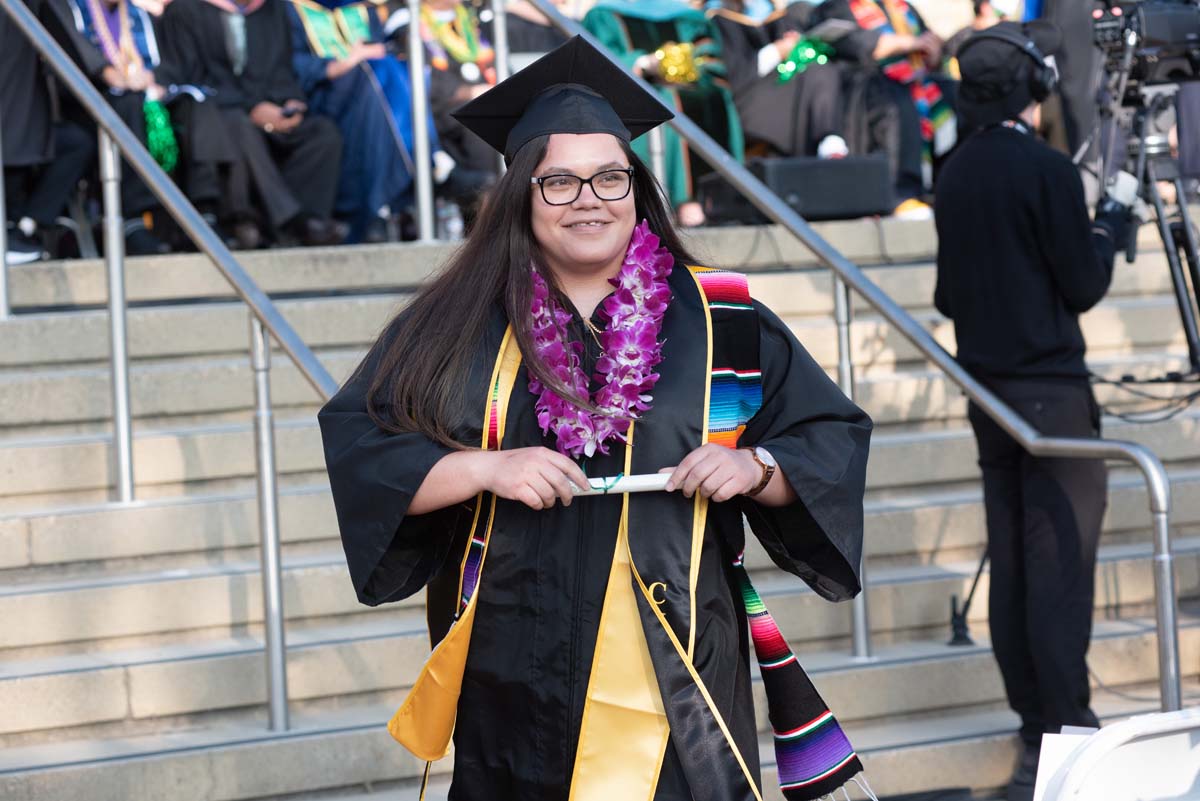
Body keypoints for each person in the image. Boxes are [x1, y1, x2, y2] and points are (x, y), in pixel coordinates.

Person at [319, 35, 873, 801]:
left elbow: (827, 438)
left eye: (610, 177)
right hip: (513, 663)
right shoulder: (456, 323)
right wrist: (485, 467)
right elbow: (362, 441)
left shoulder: (722, 317)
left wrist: (756, 468)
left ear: (637, 188)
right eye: (560, 183)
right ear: (520, 194)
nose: (590, 199)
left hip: (681, 665)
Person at [932, 22, 1132, 801]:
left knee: (1017, 562)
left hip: (990, 397)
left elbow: (950, 295)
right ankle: (1070, 734)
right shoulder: (1046, 170)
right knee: (1059, 571)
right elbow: (1083, 285)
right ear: (1035, 88)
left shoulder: (953, 172)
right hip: (1049, 397)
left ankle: (1034, 732)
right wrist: (1107, 229)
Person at [156, 0, 347, 247]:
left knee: (323, 134)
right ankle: (289, 221)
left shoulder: (273, 9)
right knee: (239, 126)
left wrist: (291, 103)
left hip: (270, 109)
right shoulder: (184, 11)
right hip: (218, 113)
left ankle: (307, 221)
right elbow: (189, 78)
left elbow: (283, 70)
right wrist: (252, 107)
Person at [286, 0, 461, 242]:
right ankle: (427, 162)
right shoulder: (289, 8)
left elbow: (382, 49)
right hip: (322, 96)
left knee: (387, 69)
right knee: (372, 74)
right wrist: (342, 64)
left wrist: (369, 56)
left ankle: (381, 204)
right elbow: (289, 63)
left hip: (370, 96)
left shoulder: (363, 8)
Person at [583, 0, 744, 227]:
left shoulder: (690, 18)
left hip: (690, 85)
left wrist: (687, 67)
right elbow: (597, 64)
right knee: (667, 102)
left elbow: (711, 62)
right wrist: (642, 63)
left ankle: (709, 201)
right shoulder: (604, 15)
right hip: (635, 91)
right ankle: (673, 201)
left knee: (714, 97)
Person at [809, 0, 957, 217]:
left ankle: (946, 188)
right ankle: (901, 194)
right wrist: (912, 43)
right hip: (863, 85)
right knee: (895, 98)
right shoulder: (839, 6)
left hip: (914, 80)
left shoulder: (904, 8)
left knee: (955, 93)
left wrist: (932, 52)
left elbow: (930, 47)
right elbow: (861, 46)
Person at [2, 0, 96, 263]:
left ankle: (25, 226)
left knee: (77, 143)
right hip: (15, 121)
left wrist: (105, 70)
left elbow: (69, 44)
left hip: (26, 119)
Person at [706, 0, 849, 160]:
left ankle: (828, 139)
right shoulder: (717, 21)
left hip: (779, 94)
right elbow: (735, 78)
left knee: (820, 68)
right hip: (745, 103)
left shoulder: (780, 15)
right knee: (817, 74)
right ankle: (826, 140)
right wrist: (776, 51)